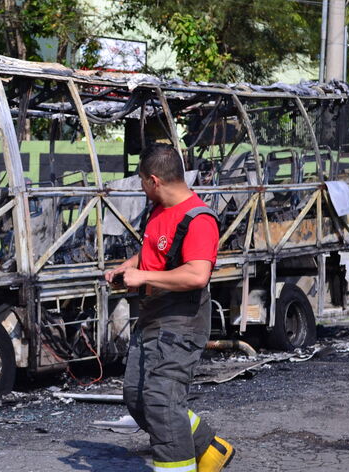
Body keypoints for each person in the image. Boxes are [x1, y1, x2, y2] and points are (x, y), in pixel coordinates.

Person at [104, 143, 235, 472]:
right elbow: (153, 254)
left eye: (141, 182)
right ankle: (210, 448)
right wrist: (126, 269)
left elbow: (197, 274)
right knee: (137, 397)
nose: (142, 188)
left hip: (182, 318)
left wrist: (142, 275)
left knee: (162, 401)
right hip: (152, 315)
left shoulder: (199, 218)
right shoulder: (159, 210)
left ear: (154, 180)